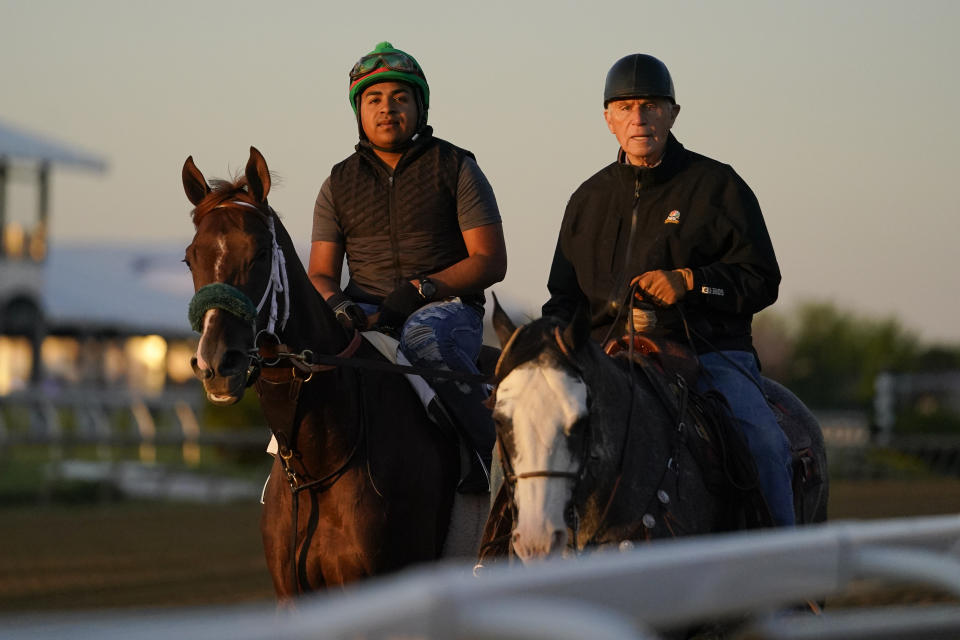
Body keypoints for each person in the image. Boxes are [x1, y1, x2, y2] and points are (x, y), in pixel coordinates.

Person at [542, 53, 794, 526]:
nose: (639, 118)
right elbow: (562, 298)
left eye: (652, 106)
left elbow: (762, 278)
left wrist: (692, 282)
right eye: (626, 107)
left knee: (763, 440)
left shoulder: (719, 186)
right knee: (523, 436)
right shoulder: (586, 200)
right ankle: (500, 562)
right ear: (608, 119)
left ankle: (785, 583)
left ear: (673, 114)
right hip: (604, 356)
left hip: (709, 355)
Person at [308, 41, 507, 493]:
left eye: (401, 97)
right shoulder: (337, 182)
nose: (387, 109)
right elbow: (320, 273)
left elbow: (490, 260)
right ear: (358, 111)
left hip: (447, 310)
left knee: (423, 335)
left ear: (420, 107)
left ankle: (488, 467)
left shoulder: (457, 166)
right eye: (374, 99)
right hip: (364, 311)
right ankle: (293, 478)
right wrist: (338, 304)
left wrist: (421, 290)